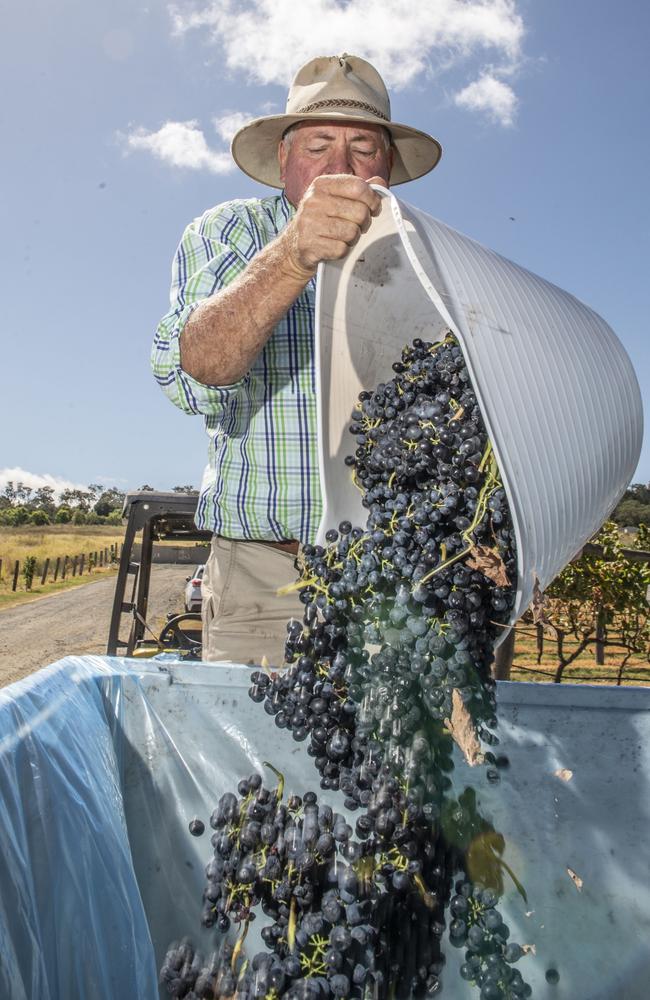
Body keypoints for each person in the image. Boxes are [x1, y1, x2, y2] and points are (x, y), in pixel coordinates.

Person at [152, 53, 442, 665]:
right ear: (283, 158)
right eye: (317, 146)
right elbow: (199, 371)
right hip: (263, 575)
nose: (341, 166)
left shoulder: (427, 260)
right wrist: (292, 256)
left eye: (363, 147)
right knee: (258, 758)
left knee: (392, 755)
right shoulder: (229, 232)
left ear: (386, 165)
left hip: (394, 578)